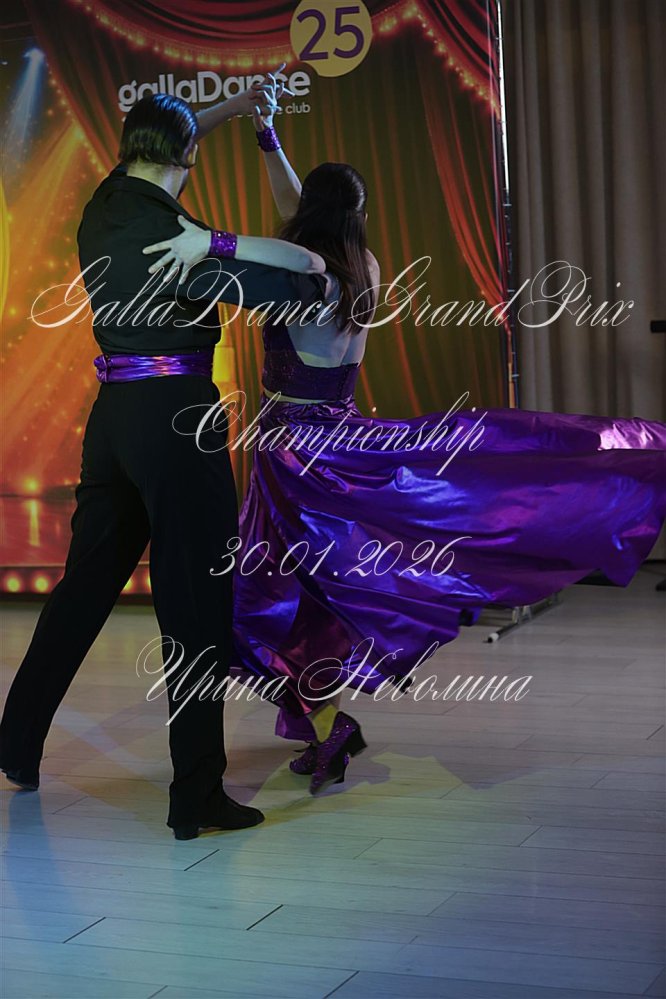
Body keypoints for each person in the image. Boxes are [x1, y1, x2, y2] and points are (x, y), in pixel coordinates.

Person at [143, 84, 666, 797]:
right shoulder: (363, 266)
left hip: (298, 454)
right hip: (336, 439)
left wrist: (210, 242)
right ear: (355, 216)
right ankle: (328, 723)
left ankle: (330, 726)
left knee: (280, 599)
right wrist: (267, 138)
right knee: (310, 594)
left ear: (309, 219)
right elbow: (297, 216)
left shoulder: (305, 276)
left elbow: (287, 240)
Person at [0, 79, 329, 840]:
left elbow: (170, 139)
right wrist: (233, 243)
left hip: (113, 421)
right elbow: (299, 286)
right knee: (196, 604)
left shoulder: (105, 204)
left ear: (129, 150)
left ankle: (16, 742)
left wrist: (228, 110)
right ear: (188, 157)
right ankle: (196, 794)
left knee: (84, 589)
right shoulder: (181, 236)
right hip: (178, 421)